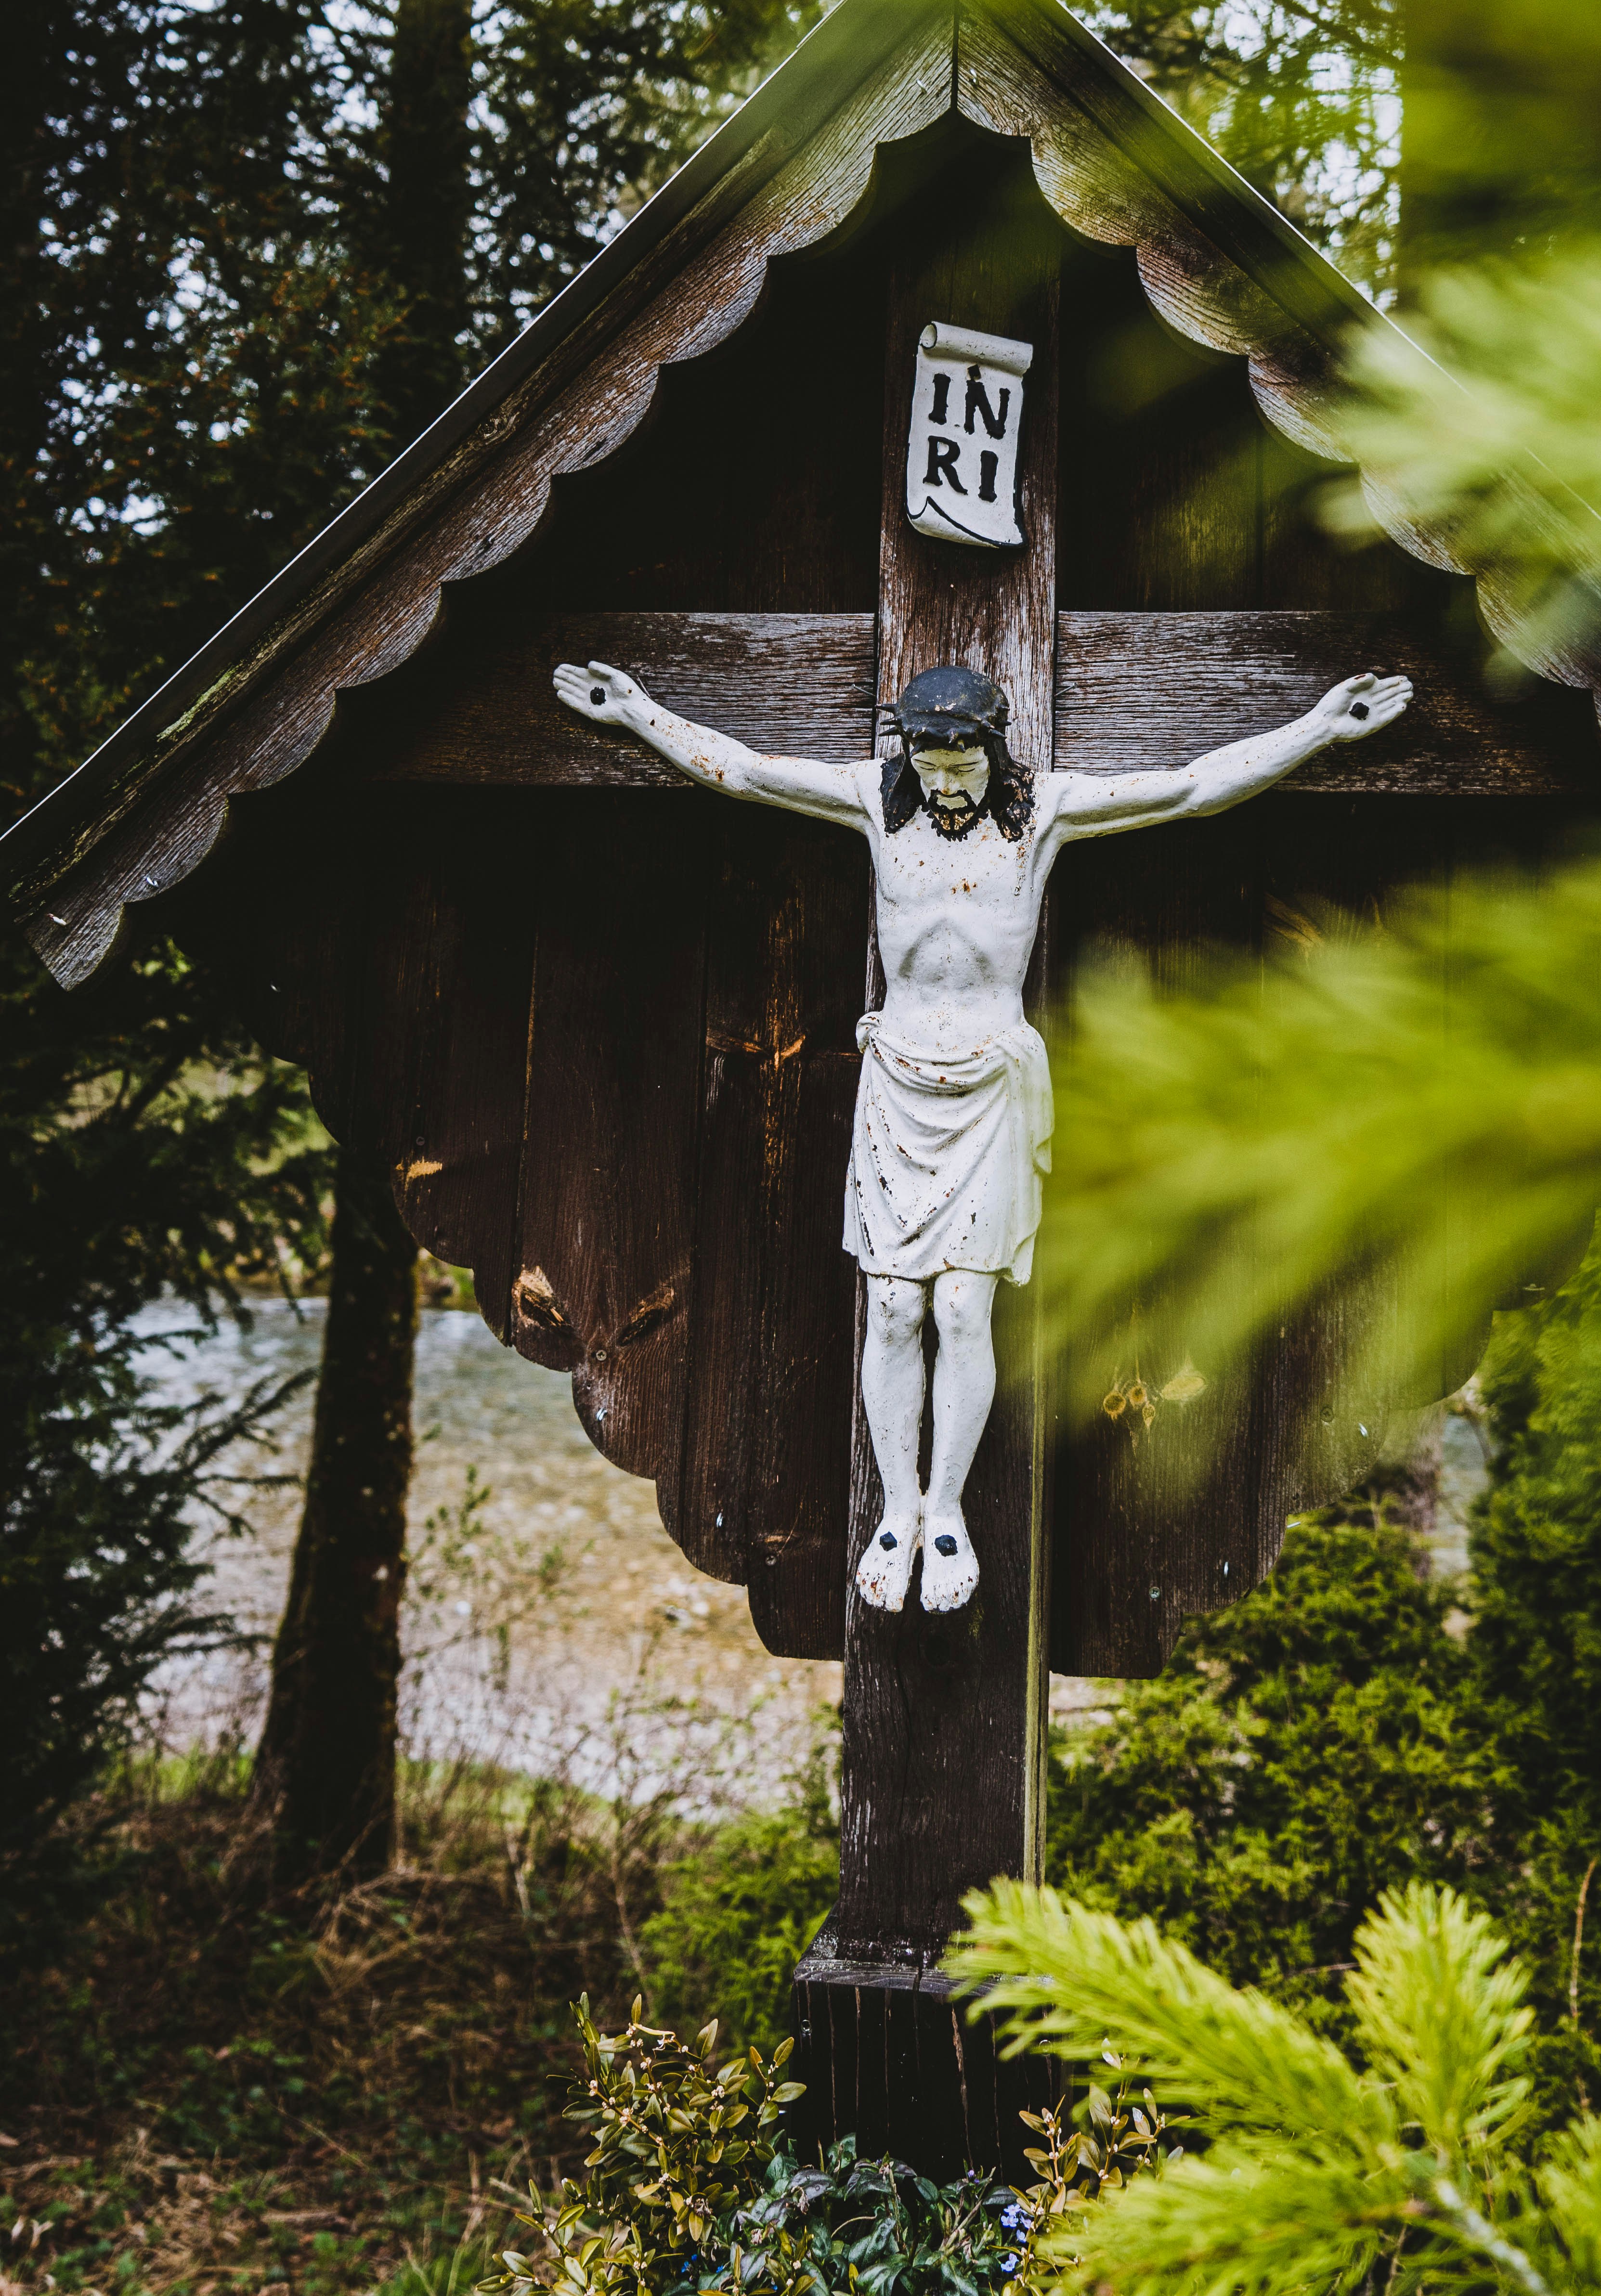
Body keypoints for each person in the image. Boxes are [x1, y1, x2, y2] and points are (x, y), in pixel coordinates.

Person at [552, 651, 1412, 1615]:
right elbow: (747, 770)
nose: (946, 782)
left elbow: (1192, 787)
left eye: (962, 764)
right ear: (909, 755)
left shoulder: (1039, 815)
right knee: (891, 1308)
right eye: (930, 763)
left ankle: (945, 1506)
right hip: (898, 1082)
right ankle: (896, 1505)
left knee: (961, 1309)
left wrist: (1318, 729)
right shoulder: (874, 806)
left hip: (990, 1084)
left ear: (993, 752)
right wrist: (637, 712)